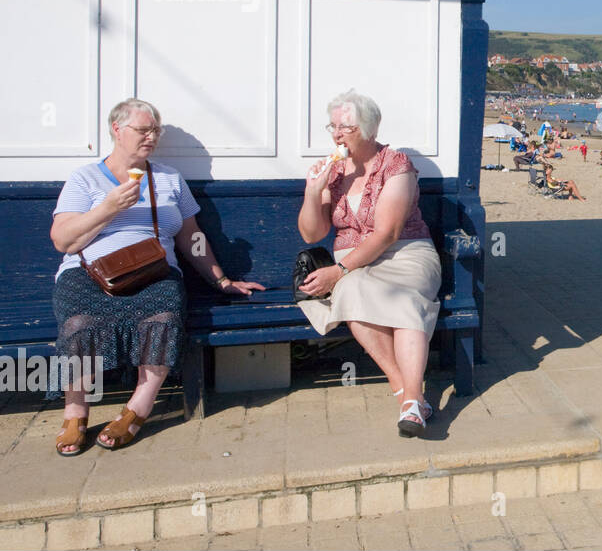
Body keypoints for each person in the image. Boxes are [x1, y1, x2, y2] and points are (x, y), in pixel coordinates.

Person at [49, 99, 265, 455]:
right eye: (143, 130)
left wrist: (221, 280)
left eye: (155, 130)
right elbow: (62, 240)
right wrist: (107, 209)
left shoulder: (167, 178)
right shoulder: (85, 178)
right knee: (79, 321)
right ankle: (75, 413)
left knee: (164, 315)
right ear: (117, 131)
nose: (151, 136)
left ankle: (138, 408)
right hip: (89, 274)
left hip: (153, 271)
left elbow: (191, 236)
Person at [297, 90, 443, 438]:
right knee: (351, 293)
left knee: (404, 299)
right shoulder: (333, 172)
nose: (336, 134)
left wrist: (338, 271)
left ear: (368, 128)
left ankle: (410, 399)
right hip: (355, 263)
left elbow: (388, 233)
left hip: (406, 253)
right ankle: (410, 395)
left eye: (345, 127)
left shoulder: (396, 165)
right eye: (332, 126)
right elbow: (311, 234)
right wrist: (312, 192)